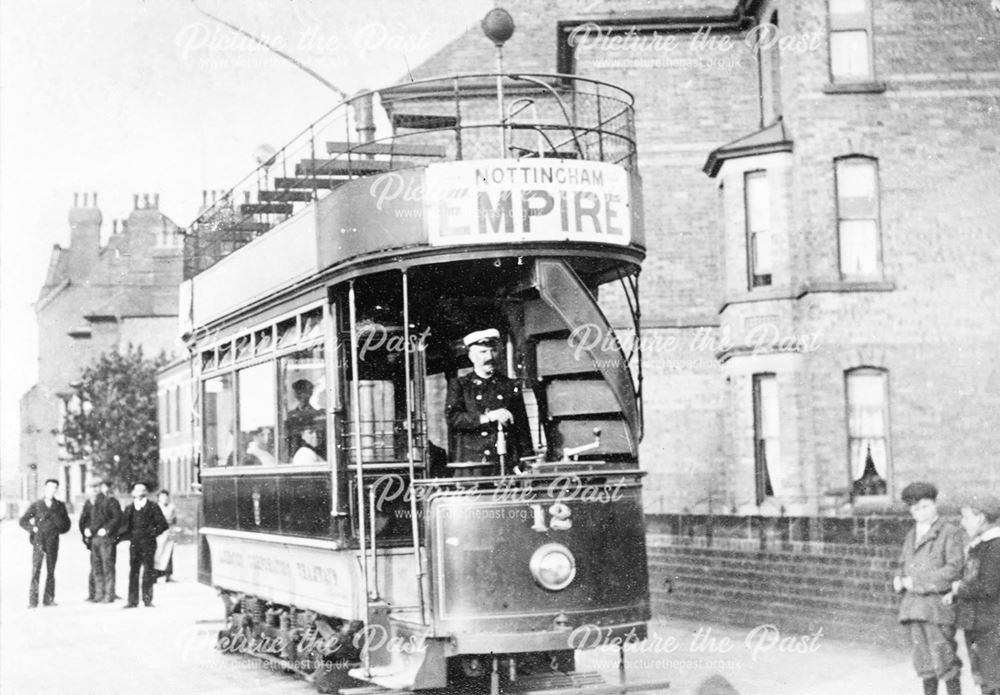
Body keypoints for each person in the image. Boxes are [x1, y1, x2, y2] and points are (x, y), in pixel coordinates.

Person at [893, 482, 964, 695]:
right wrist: (897, 578)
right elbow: (903, 562)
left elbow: (953, 569)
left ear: (934, 504)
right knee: (924, 663)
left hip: (937, 609)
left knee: (945, 660)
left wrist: (918, 584)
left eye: (925, 506)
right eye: (915, 509)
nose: (921, 512)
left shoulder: (949, 532)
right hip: (914, 608)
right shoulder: (911, 535)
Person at [445, 328, 532, 475]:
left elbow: (522, 428)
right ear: (471, 356)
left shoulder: (510, 386)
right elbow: (453, 418)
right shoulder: (460, 385)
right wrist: (489, 417)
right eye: (483, 352)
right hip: (473, 466)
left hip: (505, 464)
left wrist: (528, 461)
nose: (489, 357)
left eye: (493, 351)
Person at [946, 494, 1000, 695]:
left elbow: (988, 588)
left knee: (993, 679)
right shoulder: (981, 545)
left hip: (991, 627)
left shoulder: (995, 547)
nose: (962, 523)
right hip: (979, 625)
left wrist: (959, 588)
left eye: (965, 517)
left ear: (980, 518)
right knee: (985, 678)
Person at [19, 478, 71, 608]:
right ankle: (33, 601)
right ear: (45, 488)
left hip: (53, 542)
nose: (51, 490)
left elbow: (67, 525)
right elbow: (23, 520)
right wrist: (33, 529)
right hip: (39, 542)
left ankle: (48, 599)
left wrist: (58, 527)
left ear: (56, 490)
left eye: (54, 488)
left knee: (51, 570)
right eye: (49, 487)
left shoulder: (60, 506)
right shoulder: (37, 504)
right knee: (36, 570)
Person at [117, 482, 168, 608]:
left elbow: (163, 524)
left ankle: (147, 600)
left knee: (148, 571)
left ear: (146, 492)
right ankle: (132, 601)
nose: (139, 493)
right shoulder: (129, 508)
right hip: (135, 544)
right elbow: (124, 526)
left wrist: (152, 533)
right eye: (137, 490)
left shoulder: (153, 507)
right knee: (133, 571)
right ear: (133, 492)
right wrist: (126, 538)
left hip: (149, 544)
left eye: (142, 490)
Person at [89, 478, 122, 603]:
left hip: (106, 539)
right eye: (97, 487)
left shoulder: (112, 501)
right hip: (95, 538)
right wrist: (90, 530)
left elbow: (117, 518)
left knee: (107, 566)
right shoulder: (95, 502)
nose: (99, 489)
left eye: (102, 487)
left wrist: (106, 529)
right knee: (96, 567)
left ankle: (109, 595)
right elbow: (92, 520)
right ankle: (98, 594)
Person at [285, 378, 324, 456]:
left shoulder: (318, 414)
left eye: (304, 392)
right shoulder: (291, 416)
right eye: (298, 392)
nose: (301, 395)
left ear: (310, 394)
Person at [79, 481, 97, 601]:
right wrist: (85, 532)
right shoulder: (88, 504)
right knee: (94, 564)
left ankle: (106, 591)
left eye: (95, 489)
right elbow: (83, 520)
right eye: (91, 489)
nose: (93, 492)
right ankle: (92, 593)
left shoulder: (103, 502)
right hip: (92, 538)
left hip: (102, 537)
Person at [154, 490, 177, 582]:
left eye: (166, 496)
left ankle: (168, 574)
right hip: (159, 533)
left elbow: (174, 520)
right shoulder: (156, 506)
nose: (165, 498)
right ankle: (156, 575)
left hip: (169, 532)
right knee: (158, 554)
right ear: (159, 498)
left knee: (168, 553)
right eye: (162, 496)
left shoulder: (171, 507)